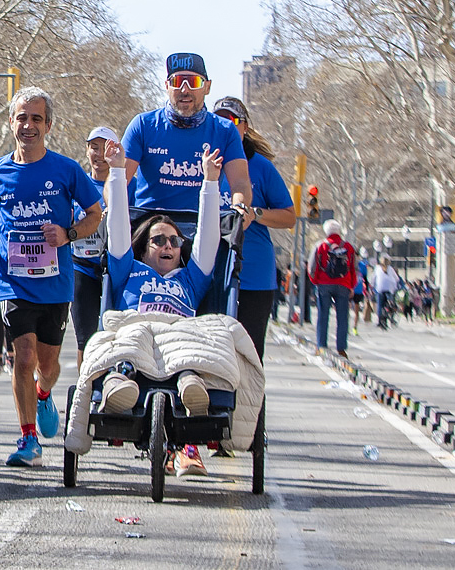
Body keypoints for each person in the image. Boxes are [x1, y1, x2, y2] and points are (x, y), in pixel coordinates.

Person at [0, 88, 103, 470]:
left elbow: (95, 213)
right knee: (24, 356)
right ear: (10, 122)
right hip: (13, 280)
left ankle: (45, 393)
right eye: (21, 118)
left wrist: (69, 234)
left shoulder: (66, 170)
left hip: (56, 283)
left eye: (36, 119)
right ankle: (28, 438)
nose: (28, 125)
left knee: (48, 365)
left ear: (48, 125)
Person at [97, 142, 225, 476]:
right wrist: (116, 171)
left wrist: (210, 182)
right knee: (130, 337)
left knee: (188, 349)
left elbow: (209, 240)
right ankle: (119, 384)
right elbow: (119, 228)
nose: (168, 245)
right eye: (158, 240)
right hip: (136, 332)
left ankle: (190, 391)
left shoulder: (190, 278)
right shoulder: (130, 268)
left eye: (174, 241)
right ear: (143, 246)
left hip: (177, 338)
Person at [211, 97, 294, 357]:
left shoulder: (261, 167)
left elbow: (289, 217)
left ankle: (251, 400)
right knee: (211, 355)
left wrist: (255, 214)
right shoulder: (197, 163)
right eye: (218, 120)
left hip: (253, 275)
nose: (224, 126)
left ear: (244, 128)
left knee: (249, 357)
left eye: (232, 121)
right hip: (208, 273)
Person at [121, 52, 251, 215]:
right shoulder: (143, 125)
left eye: (193, 82)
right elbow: (117, 181)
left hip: (203, 225)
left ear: (207, 87)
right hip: (151, 226)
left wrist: (240, 207)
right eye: (176, 82)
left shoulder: (225, 130)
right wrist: (112, 207)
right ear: (167, 86)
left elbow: (240, 183)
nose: (184, 89)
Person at [71, 127, 122, 355]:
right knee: (86, 339)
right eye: (94, 147)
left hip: (116, 268)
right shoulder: (77, 184)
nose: (99, 154)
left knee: (117, 336)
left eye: (106, 148)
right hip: (81, 265)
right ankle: (85, 388)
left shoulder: (126, 185)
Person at [308, 219, 358, 356]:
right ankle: (341, 348)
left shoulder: (321, 246)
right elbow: (354, 268)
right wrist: (351, 285)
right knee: (342, 317)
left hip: (324, 284)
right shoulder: (348, 247)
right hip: (344, 284)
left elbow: (312, 267)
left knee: (323, 315)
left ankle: (321, 345)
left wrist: (316, 281)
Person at [371, 255, 402, 330]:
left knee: (380, 305)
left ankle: (379, 321)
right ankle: (391, 317)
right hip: (390, 289)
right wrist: (396, 286)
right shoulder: (390, 269)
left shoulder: (377, 268)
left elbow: (373, 279)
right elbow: (397, 279)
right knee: (391, 303)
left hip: (380, 289)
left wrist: (372, 287)